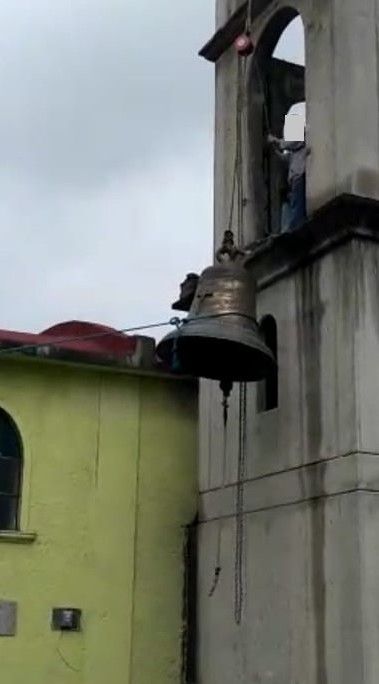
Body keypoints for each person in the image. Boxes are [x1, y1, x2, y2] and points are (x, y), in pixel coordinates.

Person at [267, 130, 310, 233]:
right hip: (295, 179)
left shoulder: (301, 142)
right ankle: (294, 226)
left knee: (297, 204)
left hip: (299, 177)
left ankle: (296, 227)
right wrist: (274, 148)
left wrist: (275, 140)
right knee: (294, 203)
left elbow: (290, 143)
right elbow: (284, 158)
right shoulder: (294, 153)